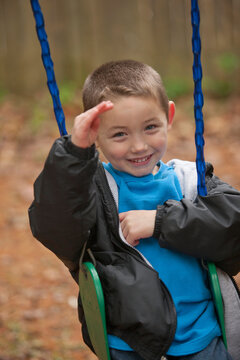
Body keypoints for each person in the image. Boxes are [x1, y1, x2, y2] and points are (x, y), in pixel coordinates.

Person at [28, 60, 240, 360]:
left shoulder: (190, 181)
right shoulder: (94, 191)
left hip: (203, 338)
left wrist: (162, 221)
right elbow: (54, 225)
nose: (139, 146)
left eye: (150, 127)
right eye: (120, 135)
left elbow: (233, 222)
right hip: (130, 345)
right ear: (95, 135)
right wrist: (74, 154)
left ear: (169, 116)